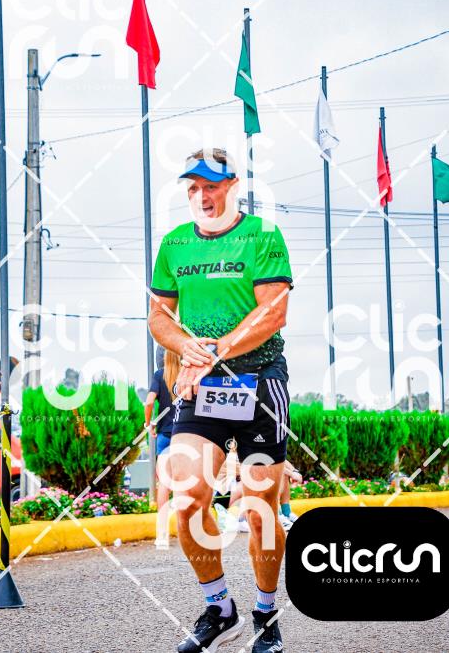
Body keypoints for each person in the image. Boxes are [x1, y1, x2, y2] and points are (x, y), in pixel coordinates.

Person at [148, 148, 293, 653]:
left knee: (258, 509)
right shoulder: (174, 243)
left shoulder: (263, 235)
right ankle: (220, 608)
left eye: (210, 186)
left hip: (260, 380)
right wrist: (183, 344)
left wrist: (219, 349)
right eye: (193, 188)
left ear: (232, 185)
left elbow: (273, 312)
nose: (201, 196)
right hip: (202, 386)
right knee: (187, 496)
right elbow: (158, 315)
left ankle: (266, 614)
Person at [145, 346, 177, 547]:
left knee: (164, 483)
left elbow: (148, 402)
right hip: (186, 436)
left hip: (165, 435)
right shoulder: (187, 374)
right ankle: (189, 530)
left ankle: (162, 534)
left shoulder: (159, 375)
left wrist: (148, 423)